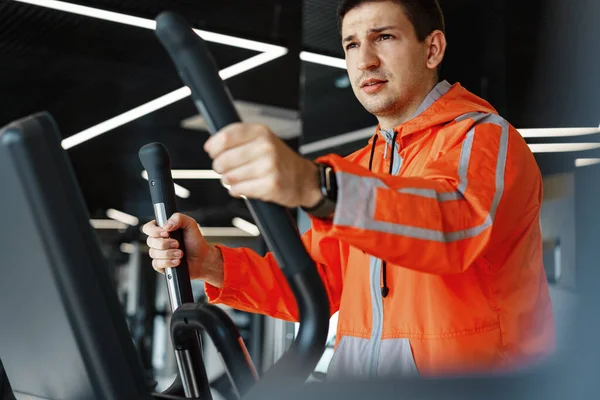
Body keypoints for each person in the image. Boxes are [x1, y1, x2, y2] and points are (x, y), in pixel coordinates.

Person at [143, 0, 555, 379]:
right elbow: (315, 280)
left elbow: (451, 226)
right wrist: (212, 263)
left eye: (384, 37)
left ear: (432, 50)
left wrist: (315, 184)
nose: (365, 61)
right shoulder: (362, 166)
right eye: (352, 45)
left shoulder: (484, 138)